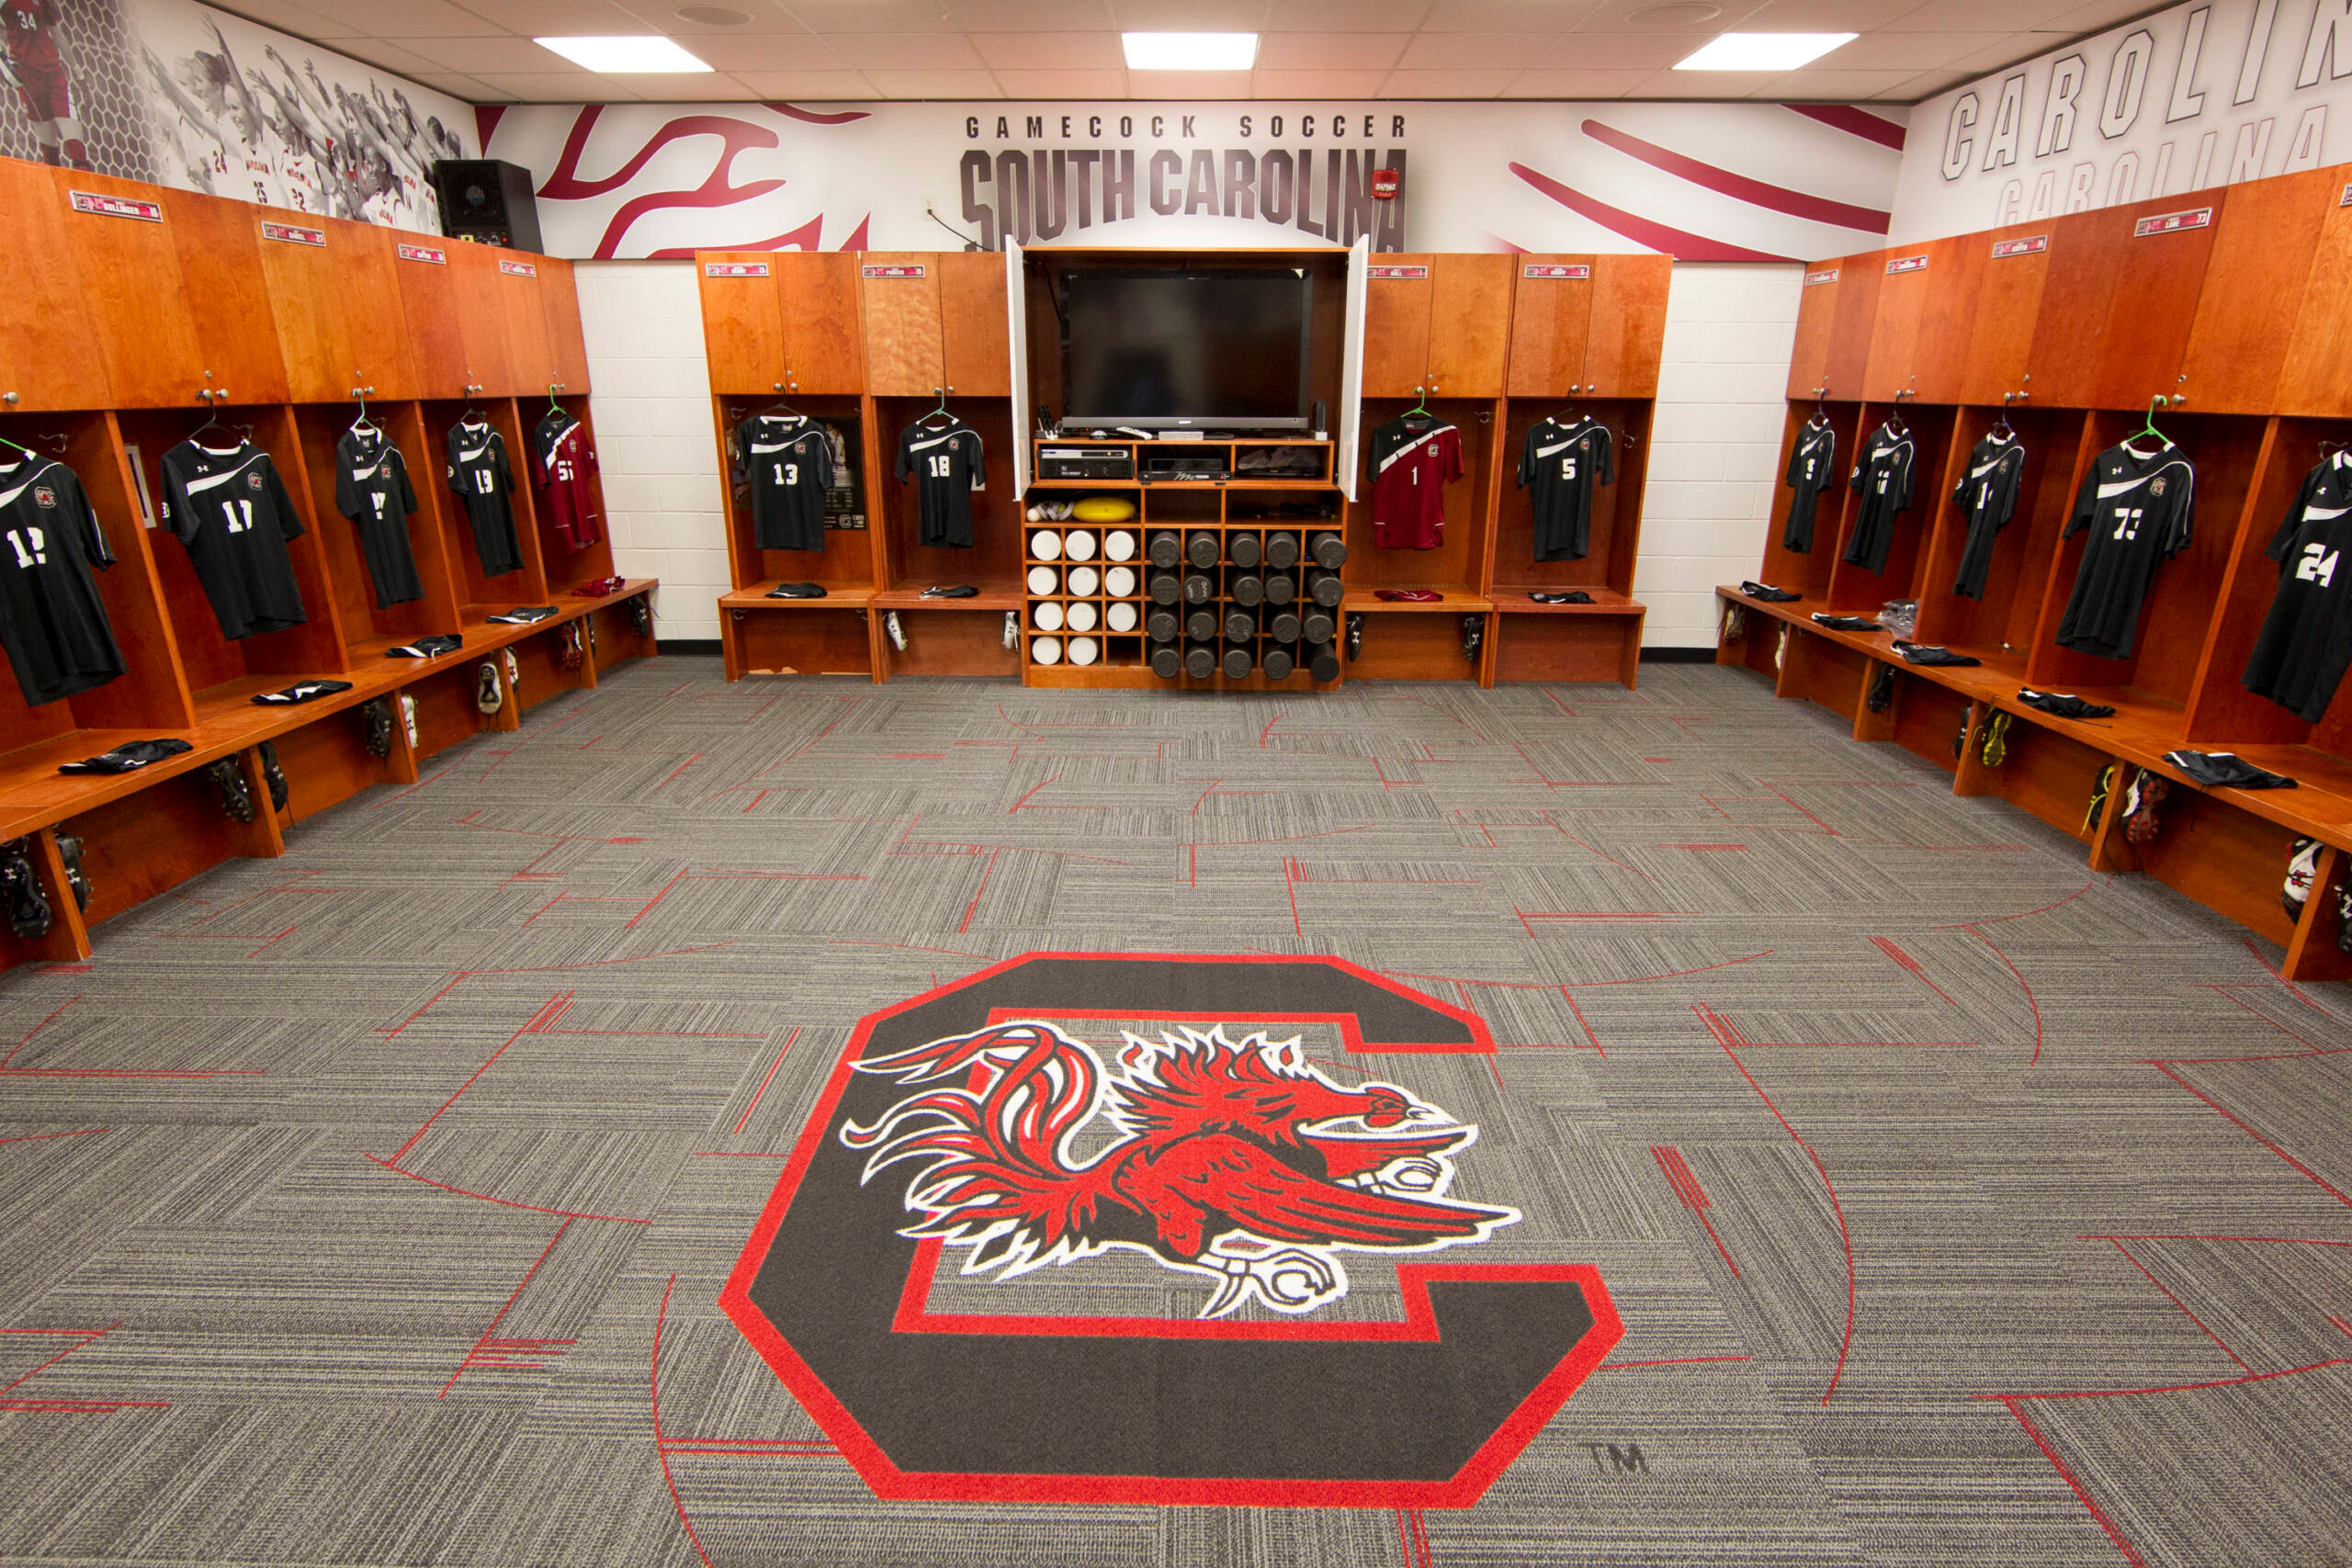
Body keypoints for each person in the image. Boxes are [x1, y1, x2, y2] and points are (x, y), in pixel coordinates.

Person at [1, 0, 91, 171]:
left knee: (77, 149)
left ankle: (86, 191)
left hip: (53, 74)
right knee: (50, 155)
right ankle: (56, 192)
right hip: (27, 76)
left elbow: (57, 34)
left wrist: (78, 72)